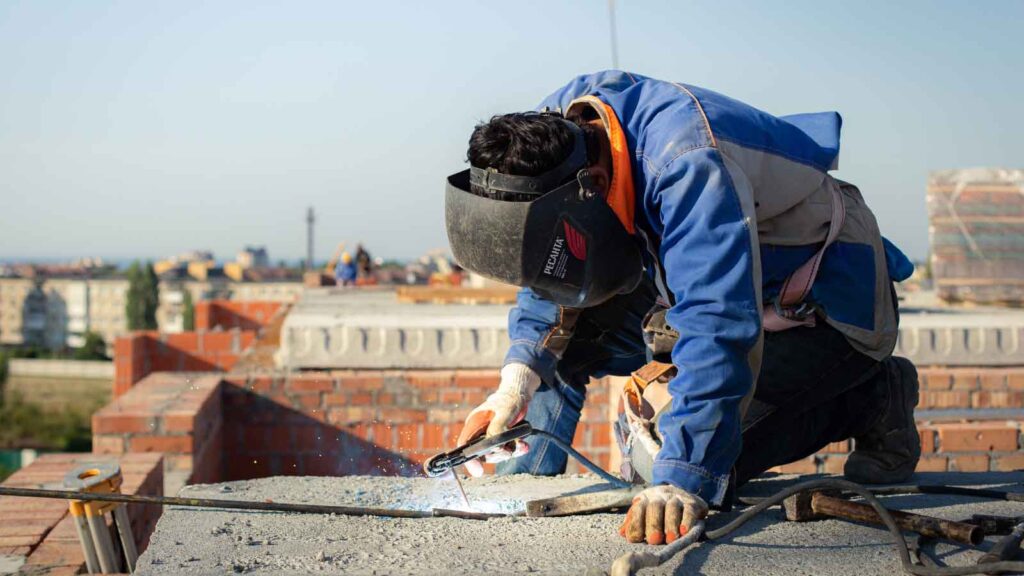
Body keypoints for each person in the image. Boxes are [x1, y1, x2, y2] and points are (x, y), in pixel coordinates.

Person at [443, 71, 920, 545]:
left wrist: (681, 477)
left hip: (825, 308)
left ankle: (874, 399)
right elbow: (551, 272)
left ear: (591, 183)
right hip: (713, 288)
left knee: (687, 464)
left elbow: (718, 323)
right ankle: (523, 480)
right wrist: (515, 384)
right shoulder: (559, 131)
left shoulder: (688, 163)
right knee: (559, 353)